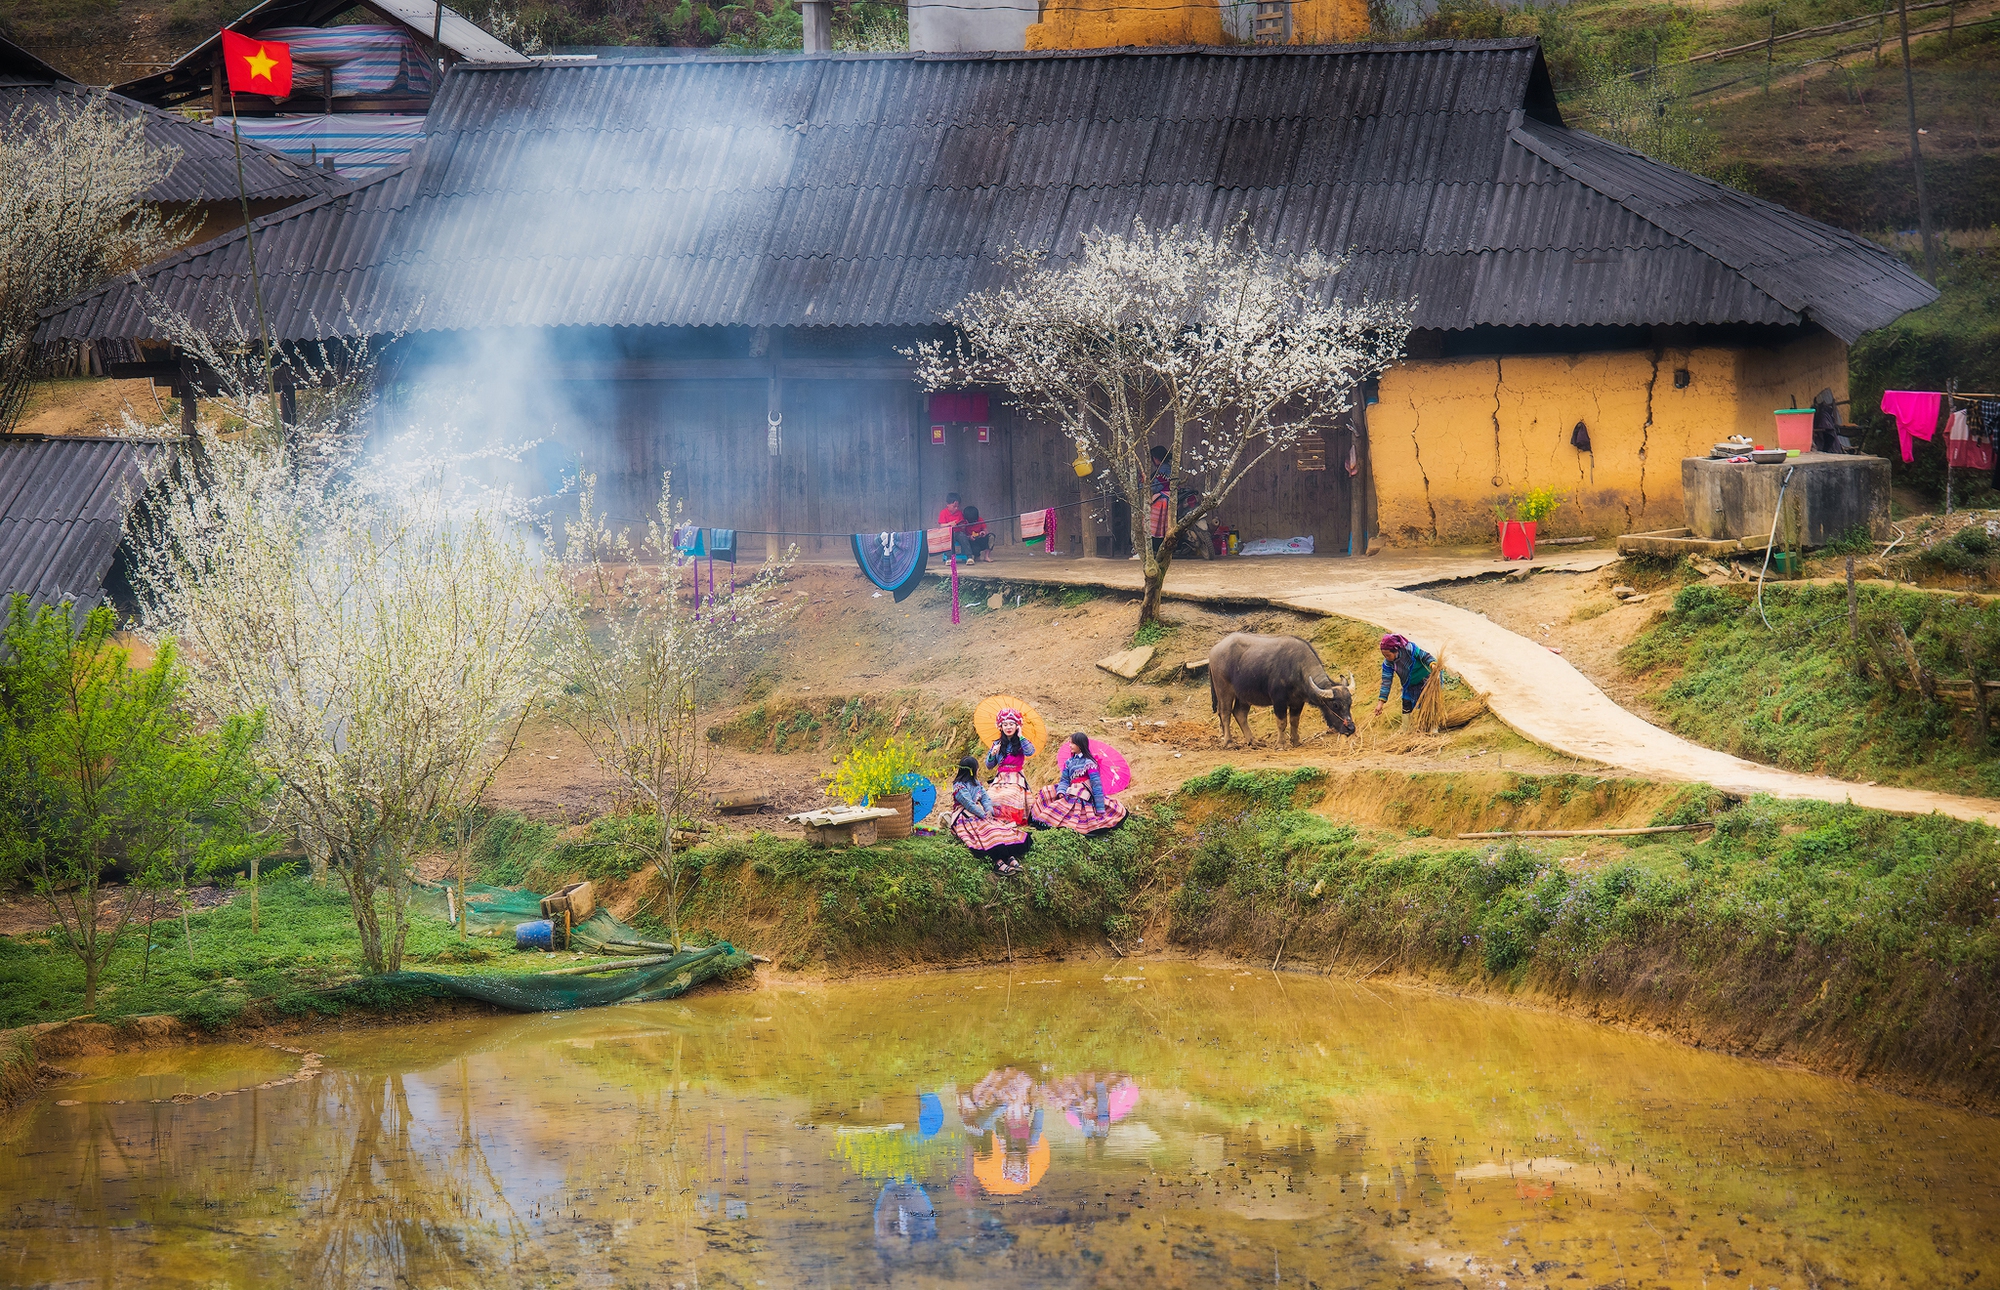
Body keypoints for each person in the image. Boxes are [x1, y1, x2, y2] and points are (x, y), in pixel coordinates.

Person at [1029, 732, 1127, 834]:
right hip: (1070, 789)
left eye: (1072, 743)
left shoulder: (1089, 763)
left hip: (1083, 792)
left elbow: (1096, 785)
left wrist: (1100, 808)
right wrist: (1061, 792)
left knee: (1077, 803)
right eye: (1070, 743)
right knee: (1047, 791)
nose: (1070, 745)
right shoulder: (1069, 762)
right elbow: (1065, 780)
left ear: (1080, 745)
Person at [949, 757, 1031, 874]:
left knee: (999, 828)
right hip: (964, 815)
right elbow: (968, 804)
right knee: (985, 832)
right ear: (972, 770)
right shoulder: (959, 786)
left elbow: (985, 798)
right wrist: (982, 814)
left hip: (979, 814)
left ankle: (1009, 857)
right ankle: (998, 862)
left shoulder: (976, 784)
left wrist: (988, 810)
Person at [984, 710, 1035, 819]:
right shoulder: (997, 744)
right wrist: (992, 754)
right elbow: (989, 766)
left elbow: (1030, 751)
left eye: (1012, 724)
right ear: (1000, 727)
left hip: (1016, 778)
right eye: (1005, 724)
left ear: (1017, 726)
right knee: (991, 797)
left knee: (1008, 796)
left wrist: (1021, 736)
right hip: (1000, 779)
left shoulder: (1022, 742)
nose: (1008, 727)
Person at [1374, 633, 1436, 718]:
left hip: (1425, 680)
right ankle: (1406, 730)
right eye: (1384, 656)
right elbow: (1386, 682)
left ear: (1395, 650)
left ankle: (1432, 727)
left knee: (1427, 705)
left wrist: (1433, 665)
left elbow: (1425, 656)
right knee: (1406, 705)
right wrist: (1380, 703)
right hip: (1409, 685)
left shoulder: (1410, 649)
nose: (1386, 658)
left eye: (1388, 655)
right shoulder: (1388, 663)